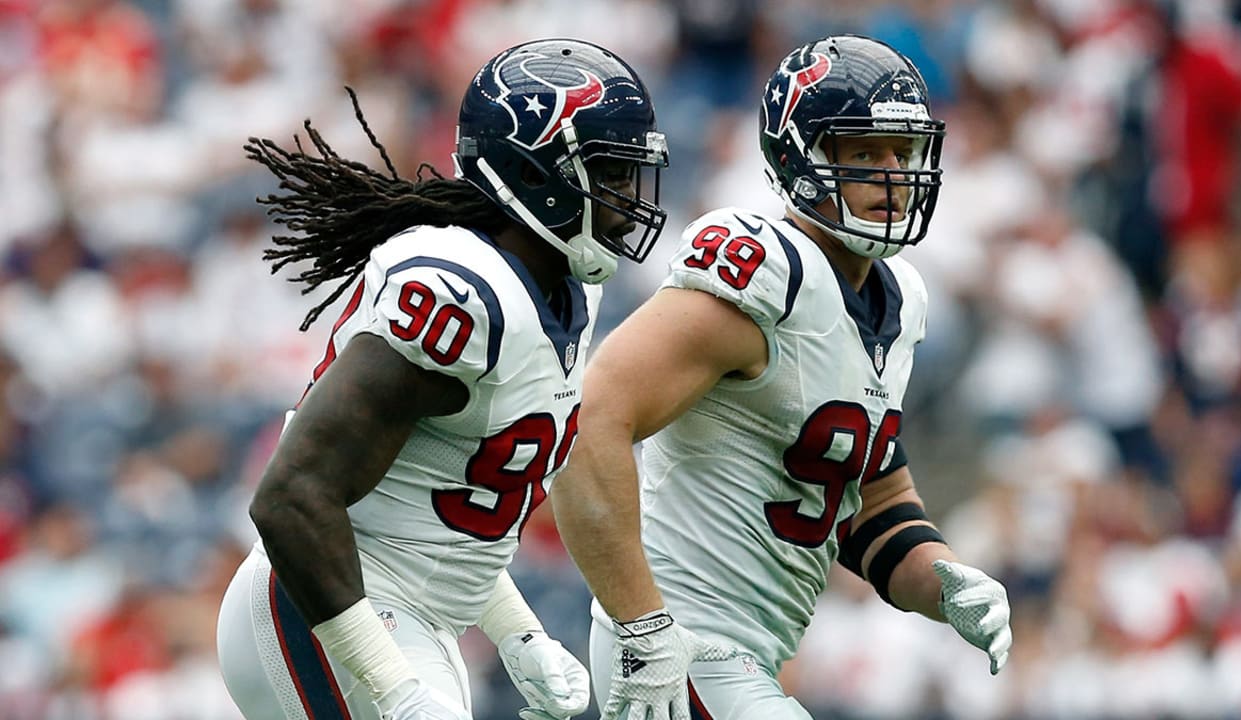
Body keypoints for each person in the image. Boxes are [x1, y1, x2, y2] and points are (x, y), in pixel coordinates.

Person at [550, 34, 1013, 720]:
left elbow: (872, 503)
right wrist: (642, 627)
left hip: (746, 657)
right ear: (798, 158)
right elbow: (587, 420)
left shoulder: (901, 300)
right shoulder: (769, 274)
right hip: (685, 641)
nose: (892, 174)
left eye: (904, 152)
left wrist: (944, 583)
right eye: (864, 153)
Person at [215, 38, 670, 720]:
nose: (627, 200)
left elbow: (446, 506)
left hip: (410, 618)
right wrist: (394, 688)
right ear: (536, 174)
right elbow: (292, 497)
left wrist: (519, 634)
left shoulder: (568, 289)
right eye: (610, 174)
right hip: (323, 610)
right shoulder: (458, 294)